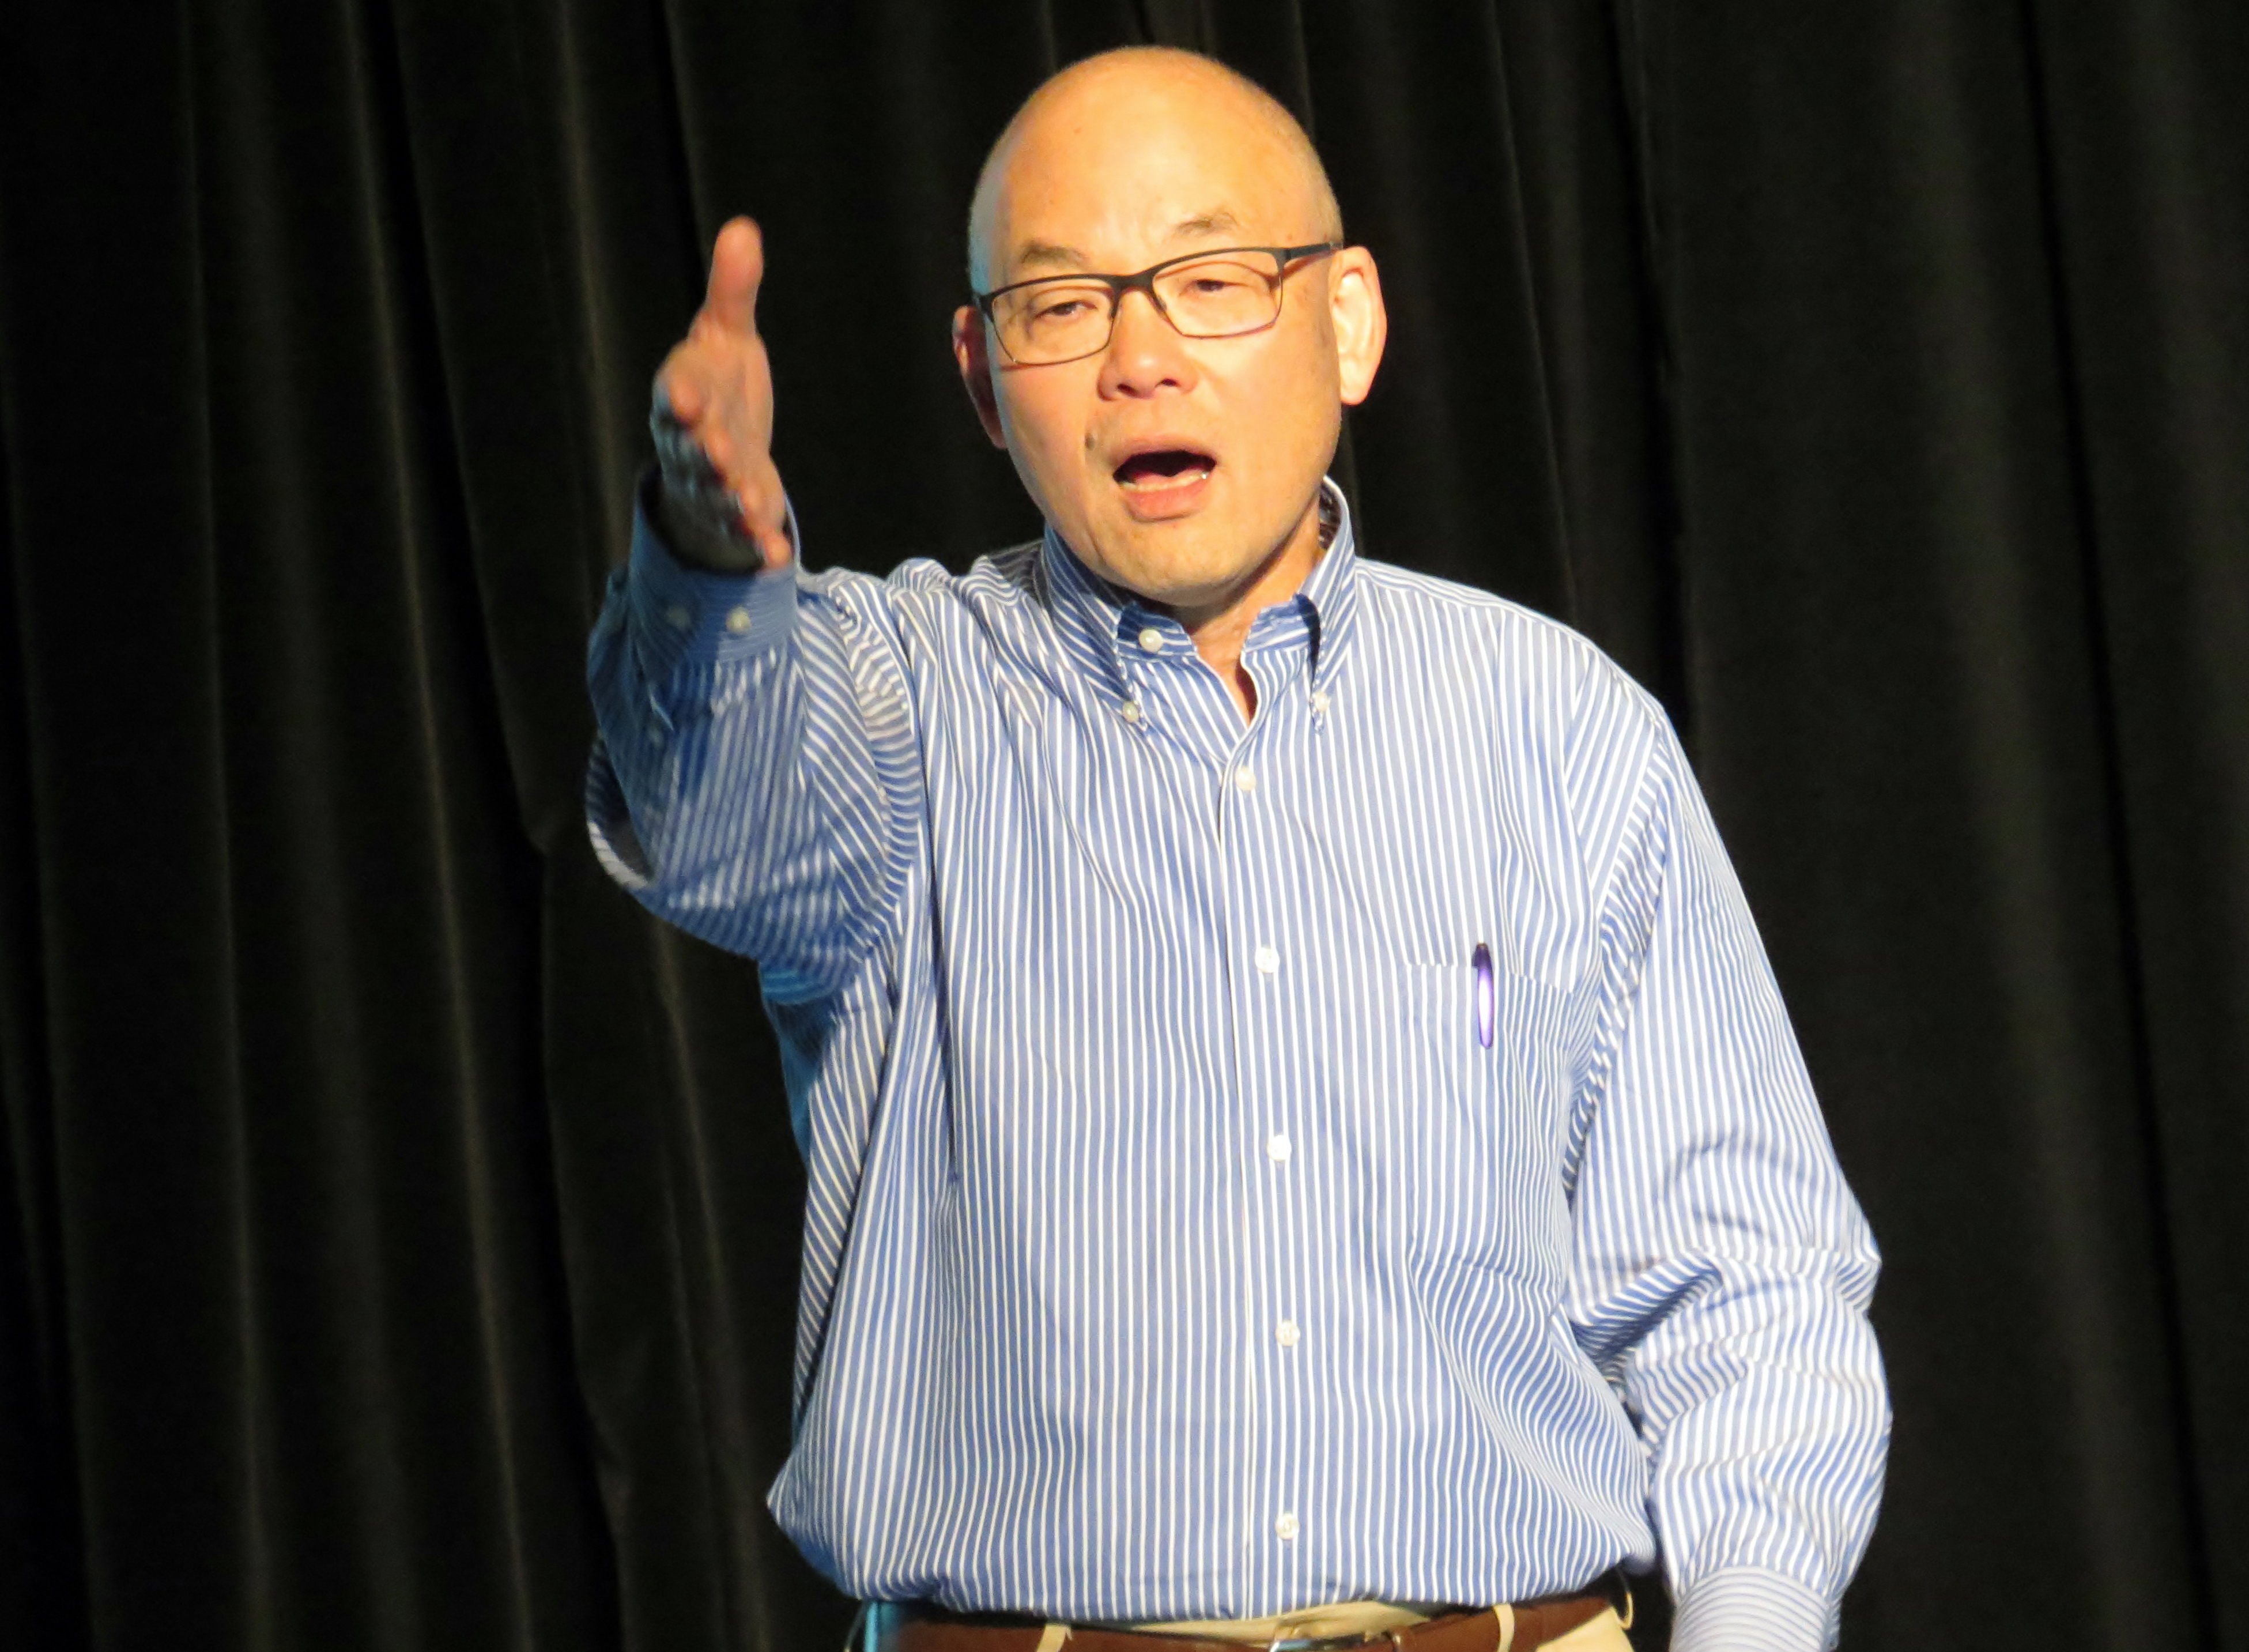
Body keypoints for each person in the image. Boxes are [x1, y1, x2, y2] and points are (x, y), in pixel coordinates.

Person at [586, 45, 1887, 1652]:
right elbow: (710, 801)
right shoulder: (898, 703)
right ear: (984, 378)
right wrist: (706, 554)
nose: (1141, 360)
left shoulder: (1556, 726)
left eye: (1212, 282)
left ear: (1348, 321)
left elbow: (1744, 1281)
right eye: (1064, 305)